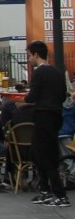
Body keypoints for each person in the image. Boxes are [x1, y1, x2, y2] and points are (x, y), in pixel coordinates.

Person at [24, 40, 70, 207]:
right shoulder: (57, 72)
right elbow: (63, 95)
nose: (29, 59)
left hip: (44, 116)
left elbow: (32, 96)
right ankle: (45, 190)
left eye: (29, 56)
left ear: (36, 54)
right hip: (55, 115)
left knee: (46, 155)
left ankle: (59, 194)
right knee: (38, 153)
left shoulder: (40, 73)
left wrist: (24, 99)